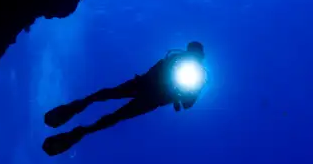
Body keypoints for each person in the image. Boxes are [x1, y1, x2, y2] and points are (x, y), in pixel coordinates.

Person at [41, 41, 206, 156]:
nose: (193, 56)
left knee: (116, 115)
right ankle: (76, 108)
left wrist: (189, 93)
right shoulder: (176, 58)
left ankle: (81, 131)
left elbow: (188, 104)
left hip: (152, 98)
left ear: (200, 56)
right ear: (188, 50)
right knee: (109, 95)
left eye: (196, 54)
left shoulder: (198, 77)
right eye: (192, 52)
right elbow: (158, 67)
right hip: (144, 86)